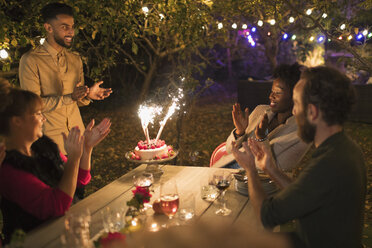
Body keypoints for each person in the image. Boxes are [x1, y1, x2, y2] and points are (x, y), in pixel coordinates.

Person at [232, 66, 366, 247]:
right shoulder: (345, 148)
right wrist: (270, 168)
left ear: (313, 112)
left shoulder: (329, 164)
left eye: (297, 104)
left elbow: (267, 215)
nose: (294, 112)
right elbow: (305, 192)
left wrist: (250, 170)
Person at [0, 85, 111, 244]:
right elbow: (57, 205)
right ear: (17, 121)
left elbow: (78, 181)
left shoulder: (44, 148)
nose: (44, 118)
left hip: (66, 233)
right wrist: (73, 159)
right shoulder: (9, 168)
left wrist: (86, 149)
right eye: (38, 113)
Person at [19, 2, 112, 155]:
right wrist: (69, 97)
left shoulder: (75, 59)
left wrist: (87, 95)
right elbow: (32, 106)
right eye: (64, 27)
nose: (71, 32)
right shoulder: (31, 60)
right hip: (50, 144)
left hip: (78, 140)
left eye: (72, 26)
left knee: (83, 180)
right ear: (48, 28)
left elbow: (76, 100)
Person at [220, 63, 309, 172]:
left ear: (296, 95)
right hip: (224, 171)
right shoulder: (260, 111)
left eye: (278, 92)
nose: (271, 96)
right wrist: (239, 132)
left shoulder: (301, 131)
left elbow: (276, 170)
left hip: (258, 184)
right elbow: (230, 151)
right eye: (272, 91)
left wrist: (262, 138)